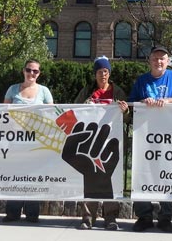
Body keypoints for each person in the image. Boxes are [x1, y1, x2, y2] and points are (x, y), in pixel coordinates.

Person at [129, 45, 172, 233]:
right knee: (142, 173)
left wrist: (168, 101)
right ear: (150, 61)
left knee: (168, 175)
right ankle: (144, 216)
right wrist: (143, 102)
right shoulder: (142, 81)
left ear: (168, 61)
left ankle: (165, 217)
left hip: (169, 136)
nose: (159, 62)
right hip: (145, 136)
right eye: (155, 58)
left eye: (162, 58)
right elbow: (132, 104)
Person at [74, 56, 129, 230]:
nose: (102, 75)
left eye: (105, 71)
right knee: (90, 178)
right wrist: (85, 104)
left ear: (109, 73)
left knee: (110, 179)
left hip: (112, 143)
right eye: (99, 71)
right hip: (92, 142)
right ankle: (88, 217)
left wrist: (125, 111)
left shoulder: (117, 91)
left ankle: (110, 217)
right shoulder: (88, 91)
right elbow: (75, 110)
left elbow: (127, 118)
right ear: (95, 74)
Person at [2, 59, 54, 223]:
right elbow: (4, 113)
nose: (31, 73)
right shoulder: (12, 90)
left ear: (39, 73)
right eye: (28, 70)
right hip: (15, 142)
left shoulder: (44, 91)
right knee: (15, 176)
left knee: (33, 176)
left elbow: (51, 114)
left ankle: (32, 213)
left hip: (35, 143)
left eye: (35, 71)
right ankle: (12, 213)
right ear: (23, 71)